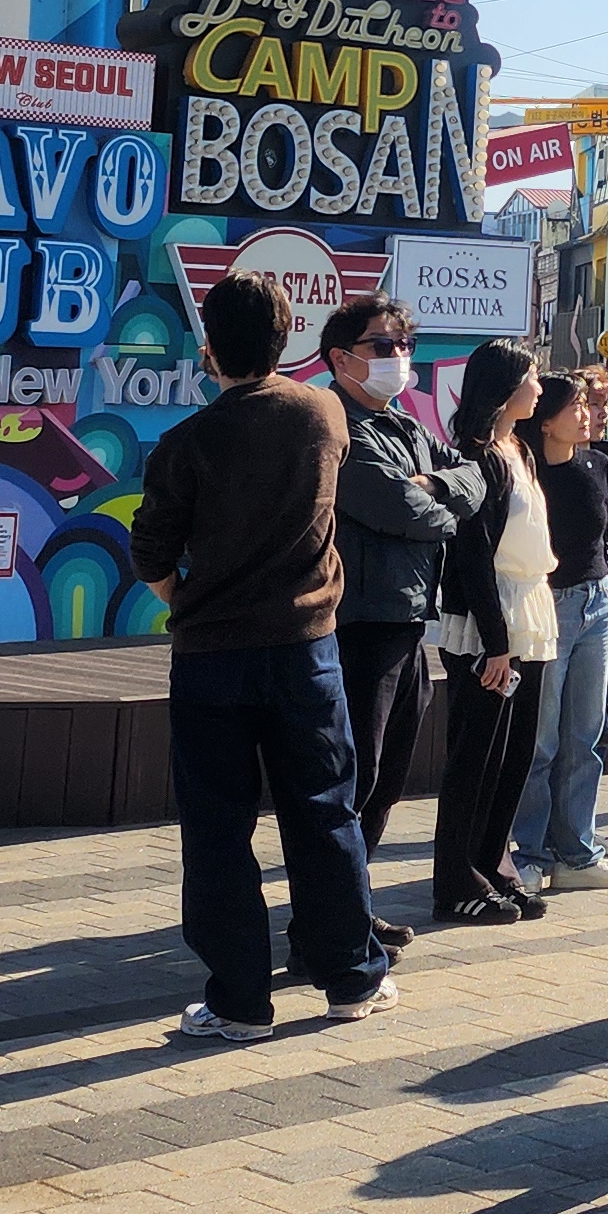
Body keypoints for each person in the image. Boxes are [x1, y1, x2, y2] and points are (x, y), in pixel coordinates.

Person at [130, 274, 396, 1039]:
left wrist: (185, 603)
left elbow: (151, 549)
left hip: (211, 657)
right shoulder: (320, 413)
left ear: (209, 349)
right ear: (286, 340)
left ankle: (240, 1001)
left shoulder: (186, 443)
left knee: (217, 830)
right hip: (307, 650)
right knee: (325, 815)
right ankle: (351, 978)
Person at [317, 298, 488, 952]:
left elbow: (473, 478)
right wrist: (436, 500)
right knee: (353, 781)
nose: (397, 357)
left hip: (410, 620)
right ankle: (326, 926)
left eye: (402, 344)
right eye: (382, 345)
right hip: (360, 623)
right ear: (341, 357)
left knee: (386, 781)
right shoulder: (341, 426)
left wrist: (434, 487)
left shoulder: (405, 426)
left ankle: (352, 910)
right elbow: (406, 512)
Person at [427, 340, 555, 926]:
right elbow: (472, 557)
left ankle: (492, 864)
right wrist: (495, 642)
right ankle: (455, 880)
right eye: (531, 376)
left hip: (529, 606)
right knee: (476, 756)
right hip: (489, 620)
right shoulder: (479, 456)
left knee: (516, 753)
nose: (539, 386)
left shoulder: (519, 449)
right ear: (504, 388)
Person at [511, 372, 608, 895]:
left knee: (585, 735)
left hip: (596, 605)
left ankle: (578, 850)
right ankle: (529, 851)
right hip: (549, 605)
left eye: (589, 407)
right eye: (575, 408)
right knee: (541, 739)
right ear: (546, 420)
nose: (587, 415)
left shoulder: (600, 463)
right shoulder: (526, 467)